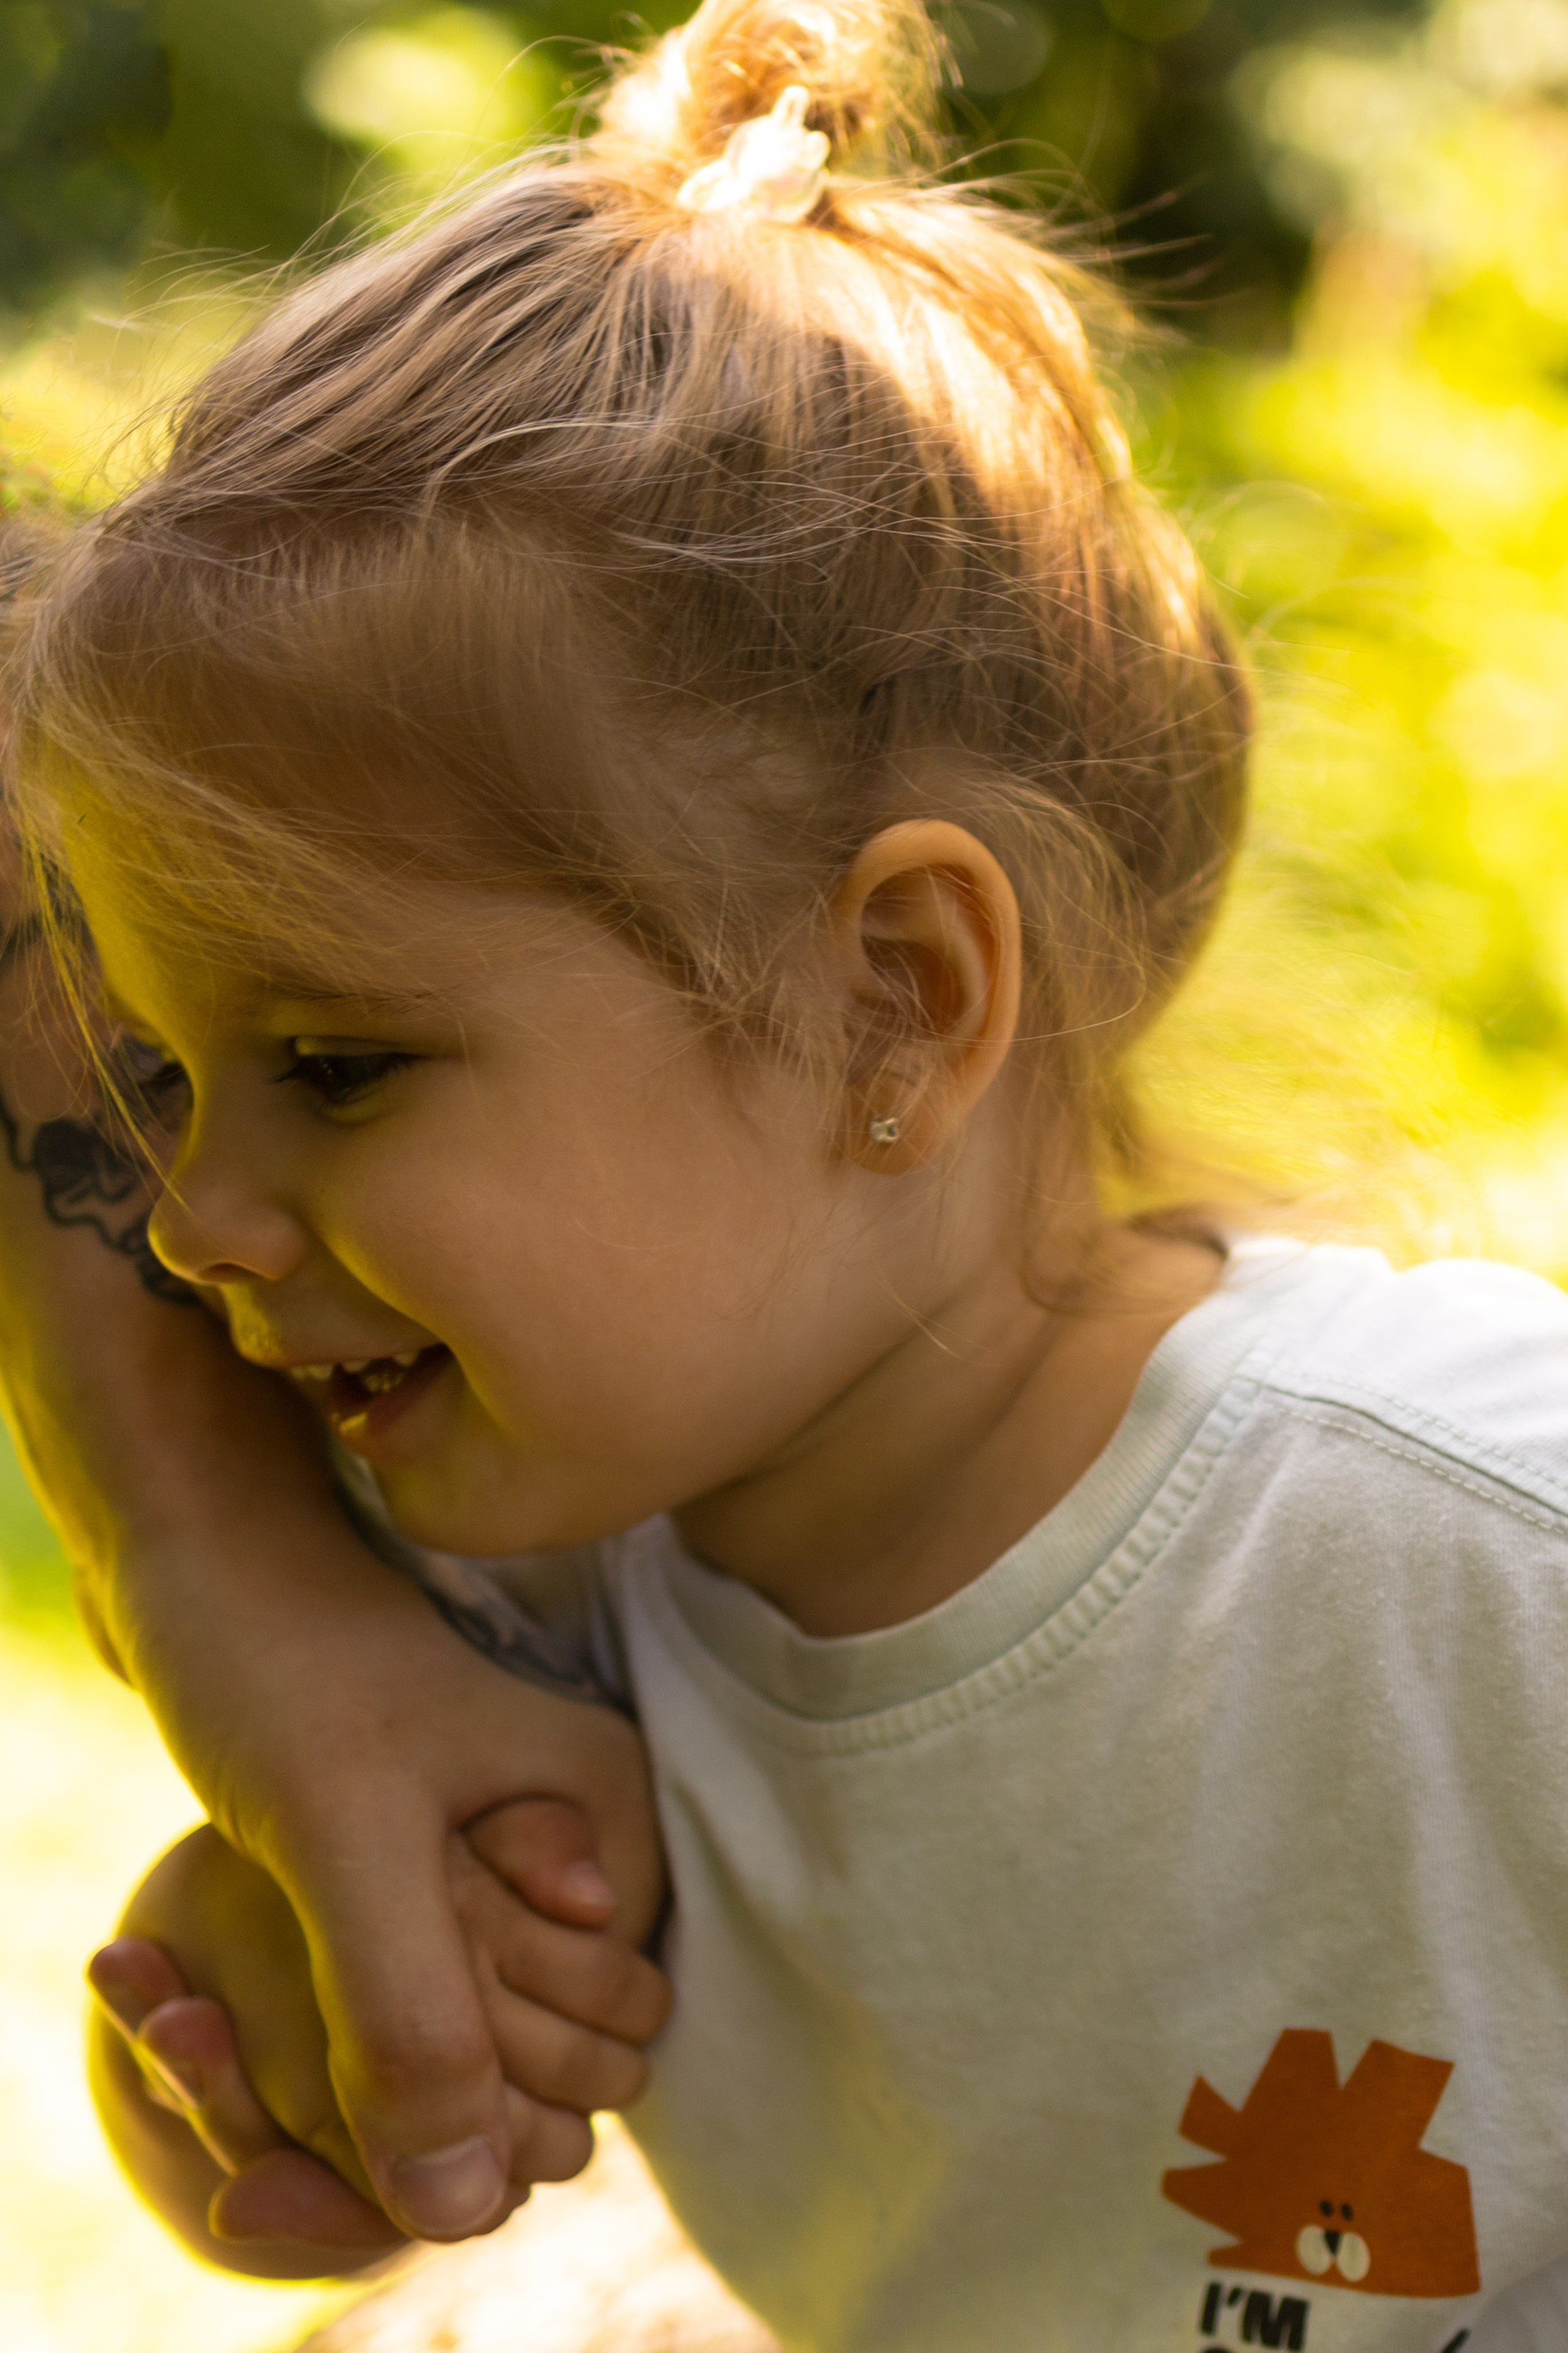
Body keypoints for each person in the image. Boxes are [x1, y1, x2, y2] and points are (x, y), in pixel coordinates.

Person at [5, 0, 1568, 2344]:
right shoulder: (536, 1607)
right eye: (161, 1077)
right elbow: (325, 2045)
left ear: (897, 1002)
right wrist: (272, 2043)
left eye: (337, 1058)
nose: (197, 1222)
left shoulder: (1450, 1543)